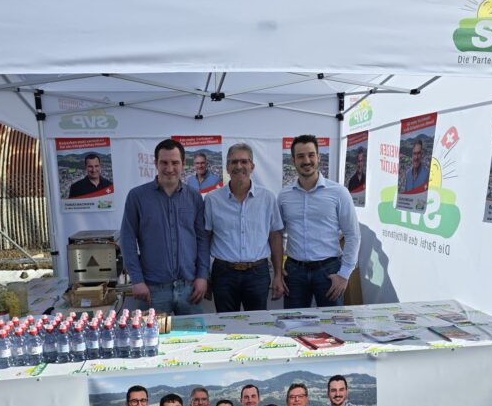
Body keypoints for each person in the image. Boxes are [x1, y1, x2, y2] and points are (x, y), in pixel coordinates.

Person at [121, 138, 210, 315]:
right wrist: (137, 280)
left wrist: (202, 276)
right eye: (164, 163)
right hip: (152, 290)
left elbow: (202, 240)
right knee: (152, 334)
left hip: (189, 288)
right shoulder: (137, 197)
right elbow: (128, 240)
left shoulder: (194, 197)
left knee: (194, 334)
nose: (169, 169)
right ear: (156, 163)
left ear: (183, 163)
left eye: (175, 163)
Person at [278, 134, 361, 308]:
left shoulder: (339, 192)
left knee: (333, 322)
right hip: (295, 272)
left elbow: (353, 234)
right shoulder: (284, 196)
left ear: (319, 157)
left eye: (311, 155)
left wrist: (344, 274)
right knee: (293, 322)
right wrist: (278, 270)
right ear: (293, 160)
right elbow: (277, 235)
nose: (306, 161)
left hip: (329, 271)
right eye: (300, 156)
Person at [205, 143, 284, 312]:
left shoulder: (267, 198)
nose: (239, 166)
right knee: (225, 323)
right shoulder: (212, 199)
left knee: (258, 324)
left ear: (252, 166)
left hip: (257, 273)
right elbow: (206, 238)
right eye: (234, 162)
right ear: (227, 167)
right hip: (224, 274)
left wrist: (278, 275)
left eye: (244, 161)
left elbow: (275, 236)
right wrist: (204, 275)